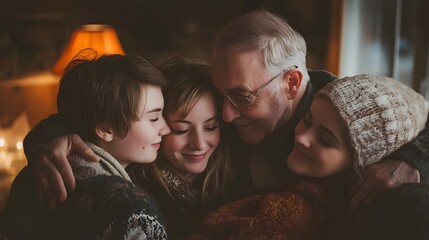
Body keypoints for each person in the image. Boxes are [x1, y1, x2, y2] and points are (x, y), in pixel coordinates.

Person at [18, 9, 429, 218]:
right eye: (220, 93)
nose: (227, 116)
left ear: (290, 83)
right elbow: (118, 106)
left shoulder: (345, 109)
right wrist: (51, 134)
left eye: (242, 96)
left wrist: (410, 159)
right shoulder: (215, 111)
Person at [190, 74, 429, 239]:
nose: (303, 137)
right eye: (308, 120)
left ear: (361, 164)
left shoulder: (291, 218)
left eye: (325, 140)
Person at [0, 53, 170, 239]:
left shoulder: (37, 168)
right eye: (153, 118)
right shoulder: (128, 208)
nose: (166, 128)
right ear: (105, 129)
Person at [127, 56, 231, 239]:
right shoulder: (135, 194)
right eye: (181, 130)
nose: (199, 144)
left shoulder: (235, 172)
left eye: (210, 127)